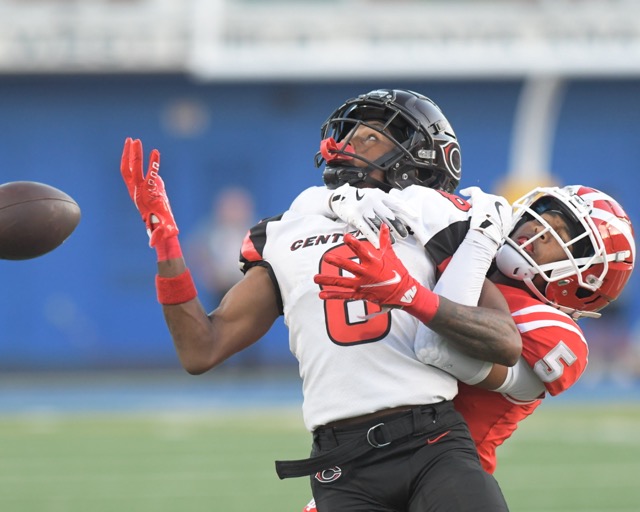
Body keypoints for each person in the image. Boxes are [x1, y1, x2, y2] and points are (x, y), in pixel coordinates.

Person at [119, 89, 519, 511]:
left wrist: (409, 294)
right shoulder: (285, 232)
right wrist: (166, 245)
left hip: (433, 442)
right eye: (348, 135)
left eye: (369, 138)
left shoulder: (433, 218)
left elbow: (505, 343)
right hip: (342, 464)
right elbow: (201, 348)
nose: (346, 146)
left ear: (418, 155)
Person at [311, 183, 635, 478]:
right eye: (543, 216)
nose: (539, 228)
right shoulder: (471, 255)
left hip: (447, 476)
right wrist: (343, 197)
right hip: (369, 459)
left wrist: (418, 286)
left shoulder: (552, 329)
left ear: (583, 279)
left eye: (562, 234)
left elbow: (437, 348)